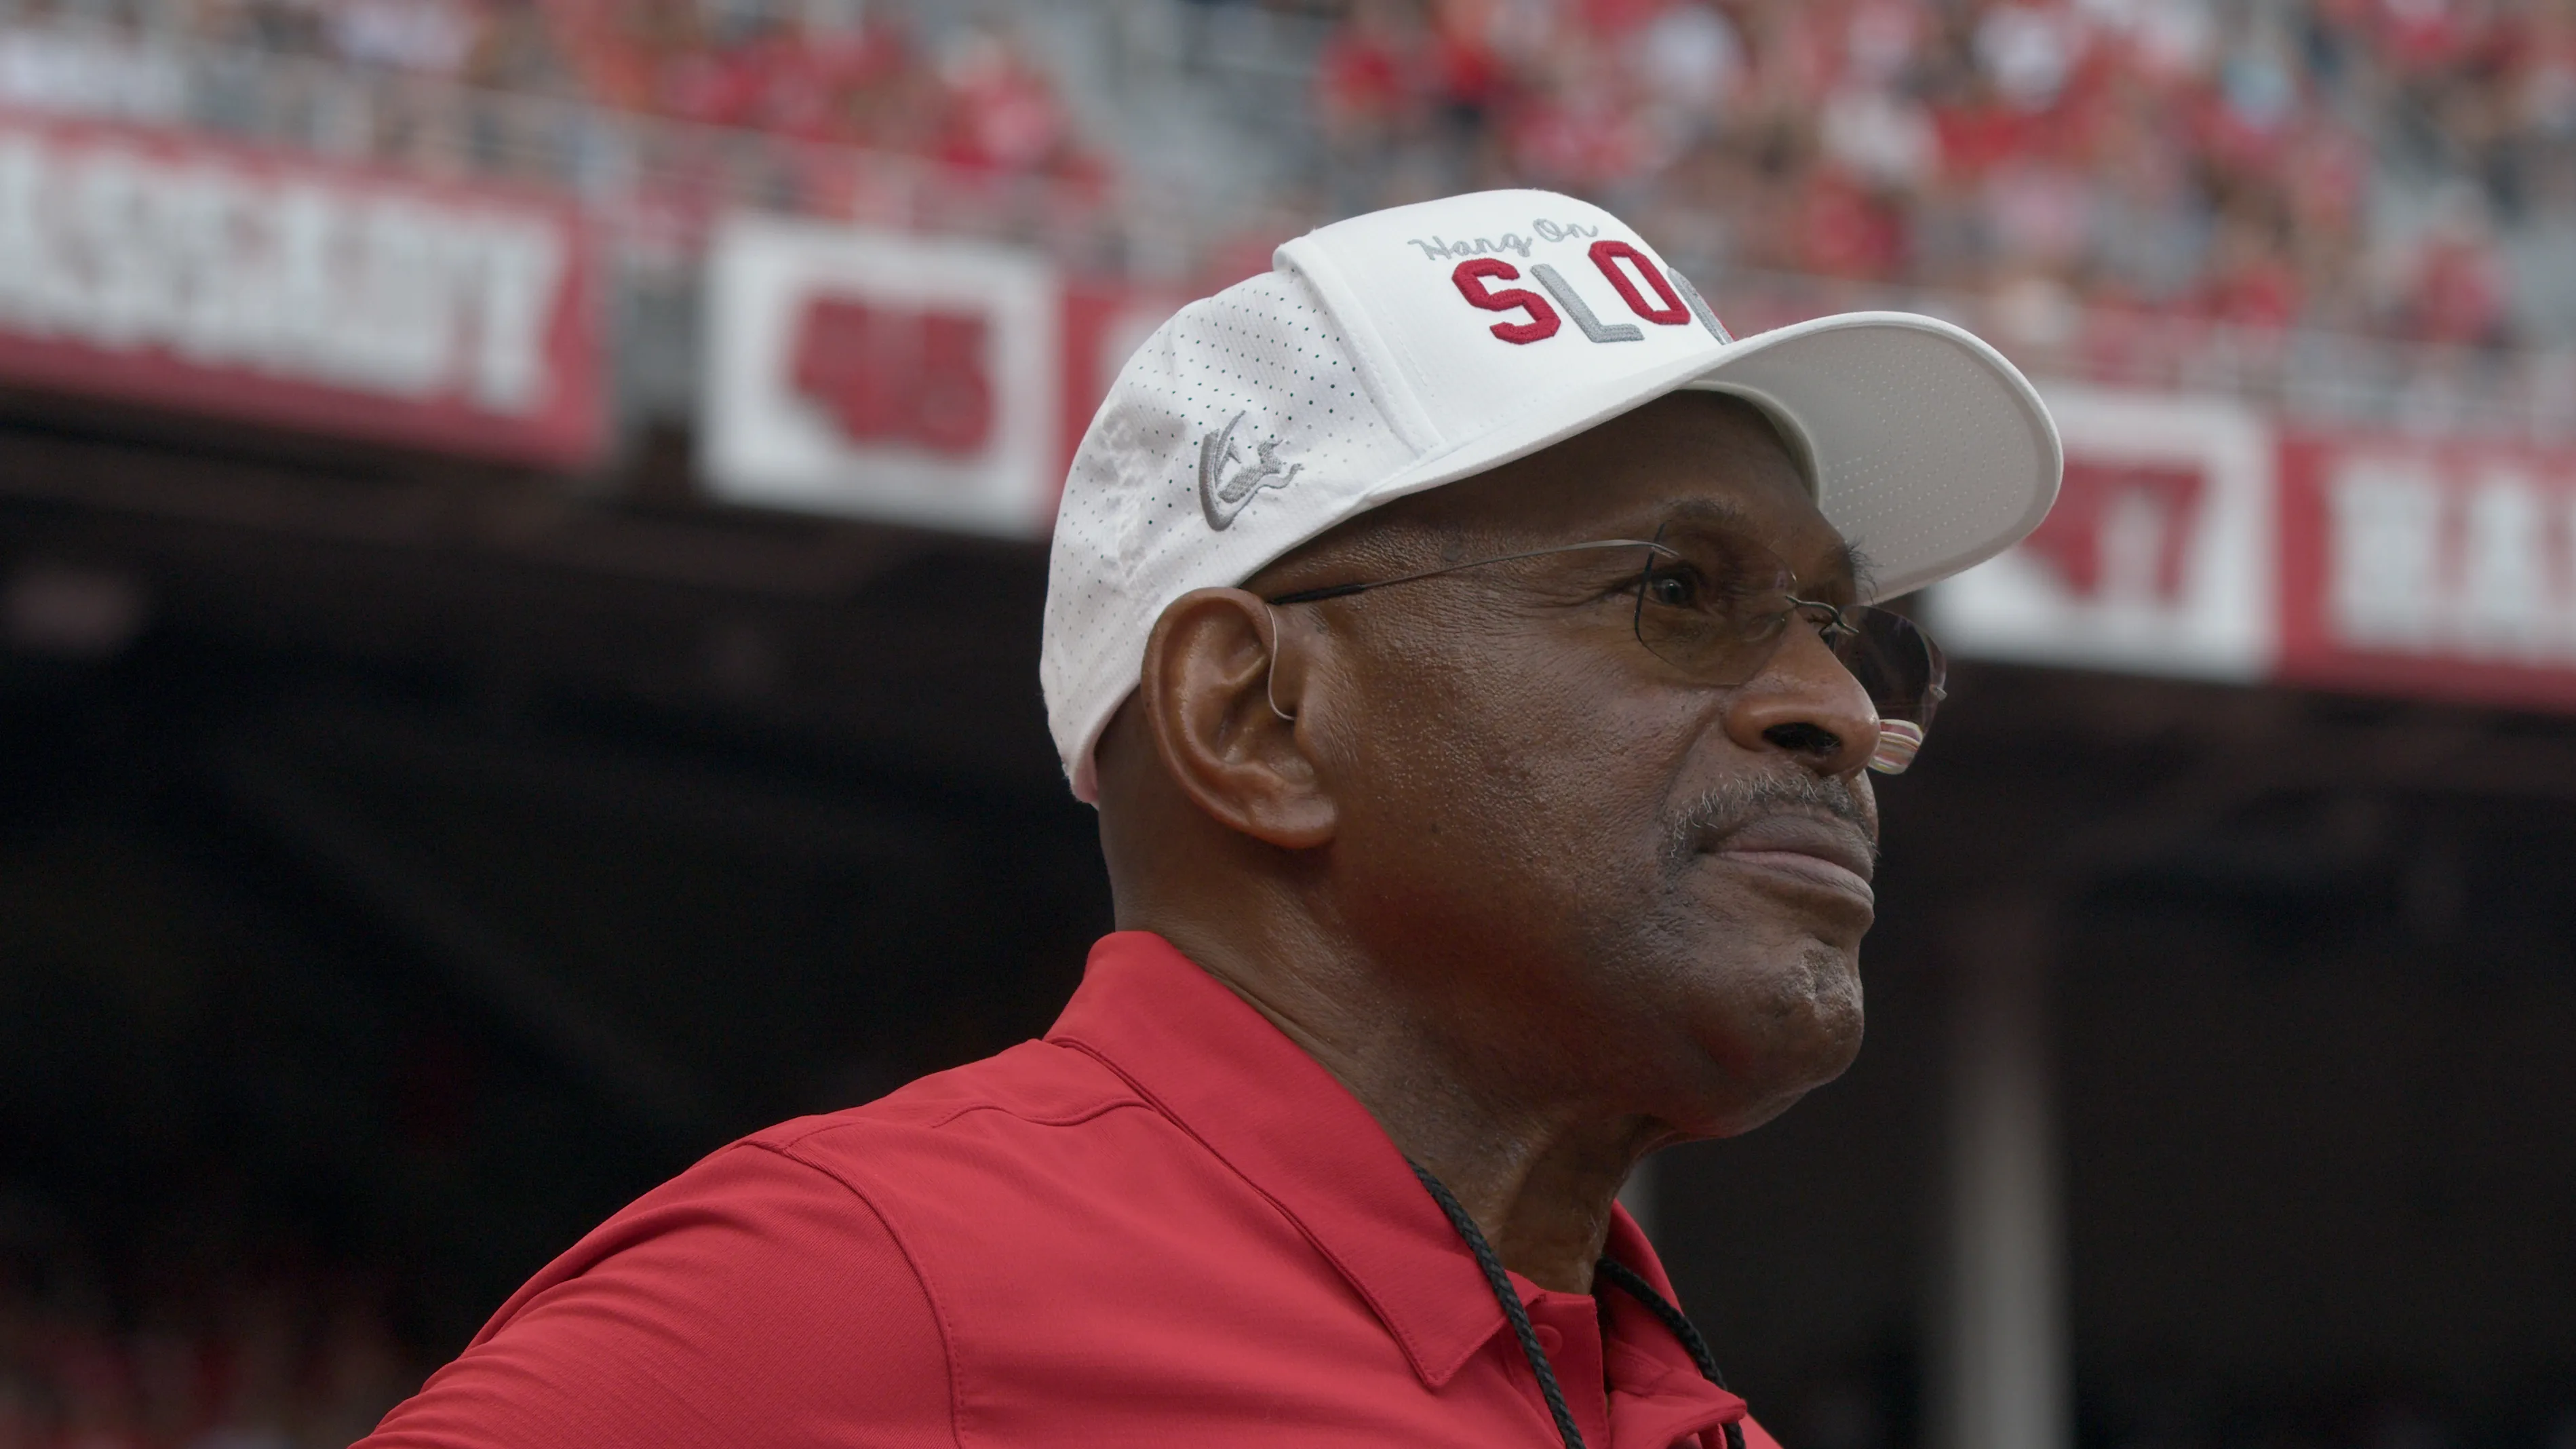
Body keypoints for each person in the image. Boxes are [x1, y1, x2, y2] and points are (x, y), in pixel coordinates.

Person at [358, 188, 2058, 1449]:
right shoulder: (869, 1297)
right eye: (1679, 591)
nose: (1834, 708)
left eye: (1844, 630)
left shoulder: (1678, 1415)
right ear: (1256, 719)